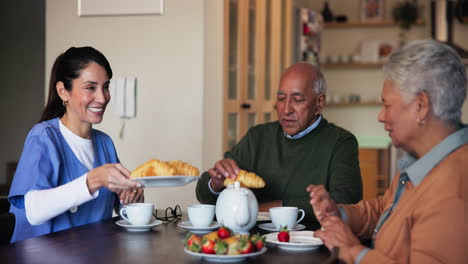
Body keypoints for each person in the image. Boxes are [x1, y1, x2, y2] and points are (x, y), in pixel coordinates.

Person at [307, 39, 468, 264]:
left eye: (386, 105)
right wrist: (339, 213)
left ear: (421, 105)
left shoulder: (453, 191)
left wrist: (353, 251)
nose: (381, 116)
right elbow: (385, 211)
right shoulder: (422, 161)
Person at [196, 62, 362, 229]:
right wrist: (215, 184)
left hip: (312, 243)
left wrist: (271, 207)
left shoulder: (341, 142)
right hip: (254, 243)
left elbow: (346, 201)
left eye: (297, 100)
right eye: (281, 99)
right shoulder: (257, 137)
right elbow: (204, 194)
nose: (286, 109)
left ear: (319, 103)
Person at [8, 47, 144, 243]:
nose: (103, 97)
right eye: (91, 88)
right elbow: (33, 211)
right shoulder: (43, 136)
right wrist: (92, 180)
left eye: (105, 87)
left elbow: (119, 210)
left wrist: (133, 200)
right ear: (63, 91)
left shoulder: (105, 142)